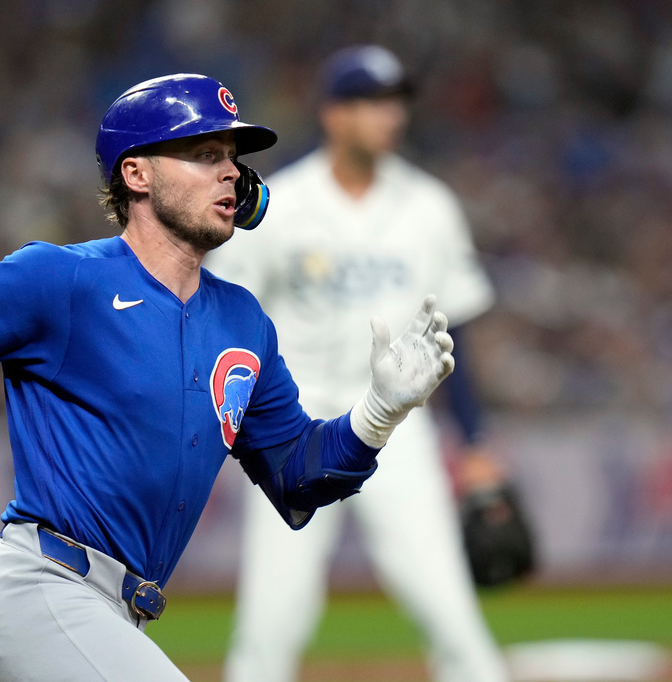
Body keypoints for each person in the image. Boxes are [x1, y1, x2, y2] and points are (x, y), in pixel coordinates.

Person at [0, 72, 458, 682]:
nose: (231, 173)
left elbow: (297, 477)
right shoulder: (65, 278)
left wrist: (378, 413)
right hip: (38, 594)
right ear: (136, 174)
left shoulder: (244, 322)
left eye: (233, 157)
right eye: (204, 154)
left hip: (109, 619)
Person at [206, 46, 511, 682]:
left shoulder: (430, 206)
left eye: (396, 101)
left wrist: (475, 440)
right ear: (333, 114)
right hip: (293, 421)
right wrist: (232, 424)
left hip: (399, 425)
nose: (390, 115)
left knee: (452, 614)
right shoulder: (279, 204)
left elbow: (459, 326)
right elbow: (224, 317)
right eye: (371, 102)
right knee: (269, 624)